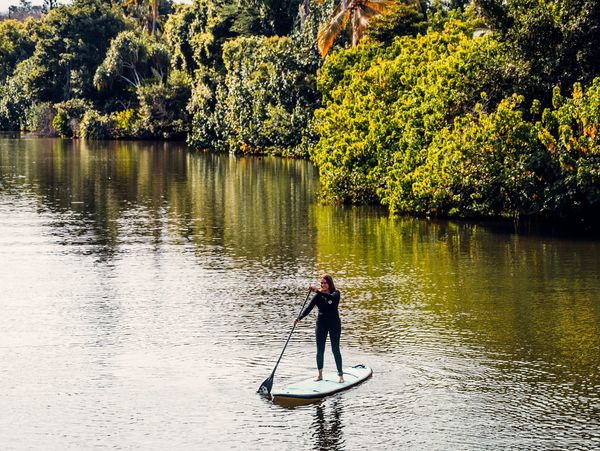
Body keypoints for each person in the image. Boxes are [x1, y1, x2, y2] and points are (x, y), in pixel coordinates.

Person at [294, 274, 344, 383]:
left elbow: (330, 298)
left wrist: (317, 291)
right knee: (320, 350)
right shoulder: (317, 296)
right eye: (321, 283)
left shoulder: (336, 293)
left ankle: (340, 375)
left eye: (325, 283)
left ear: (329, 284)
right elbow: (309, 308)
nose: (323, 285)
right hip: (321, 325)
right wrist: (299, 318)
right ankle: (320, 374)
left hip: (334, 325)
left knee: (335, 349)